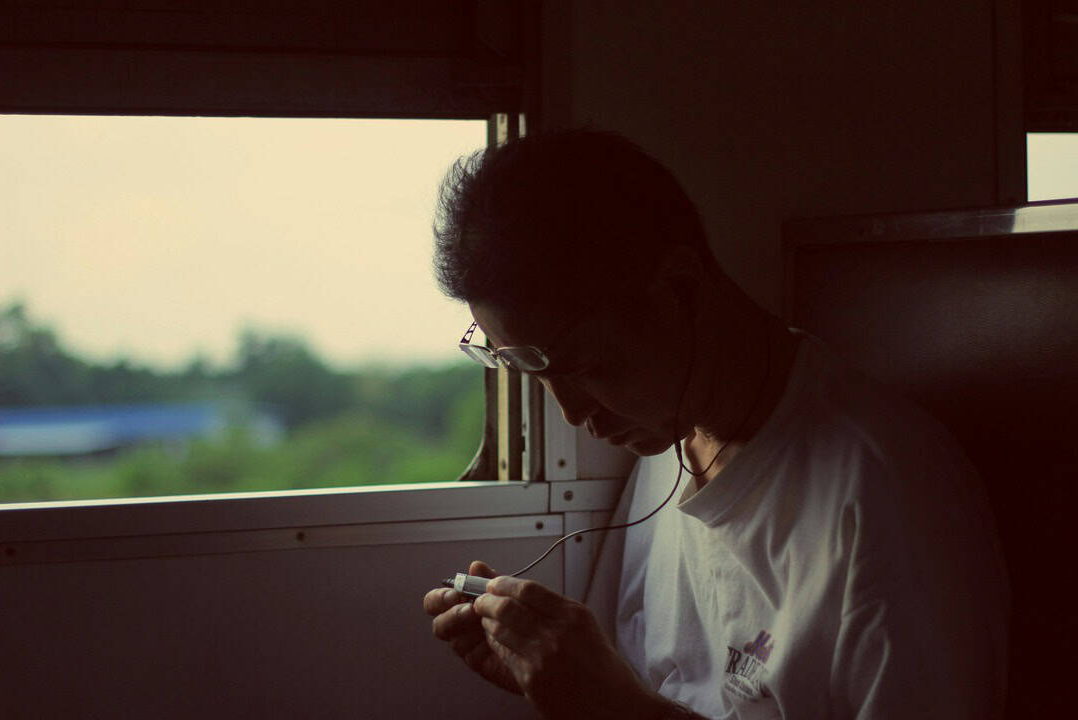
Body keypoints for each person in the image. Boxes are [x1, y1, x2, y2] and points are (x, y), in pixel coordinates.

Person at [422, 129, 1008, 719]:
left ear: (678, 286)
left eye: (594, 369)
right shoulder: (663, 443)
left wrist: (618, 710)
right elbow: (650, 685)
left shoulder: (888, 499)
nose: (575, 414)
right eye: (536, 375)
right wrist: (557, 682)